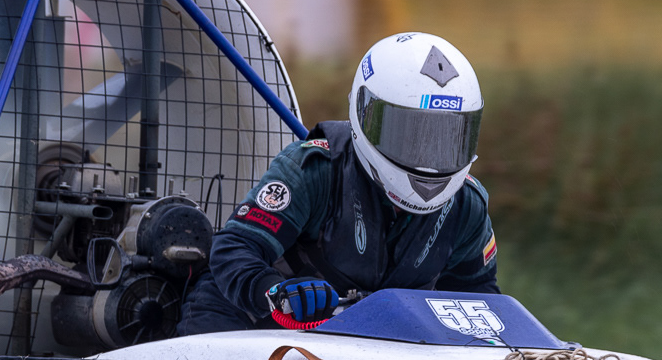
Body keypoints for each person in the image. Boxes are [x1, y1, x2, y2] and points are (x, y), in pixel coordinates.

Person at [177, 33, 499, 333]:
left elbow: (481, 301)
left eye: (445, 139)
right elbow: (234, 248)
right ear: (364, 113)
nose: (427, 158)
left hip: (352, 343)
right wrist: (276, 291)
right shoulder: (314, 170)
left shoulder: (465, 206)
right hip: (244, 324)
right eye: (409, 135)